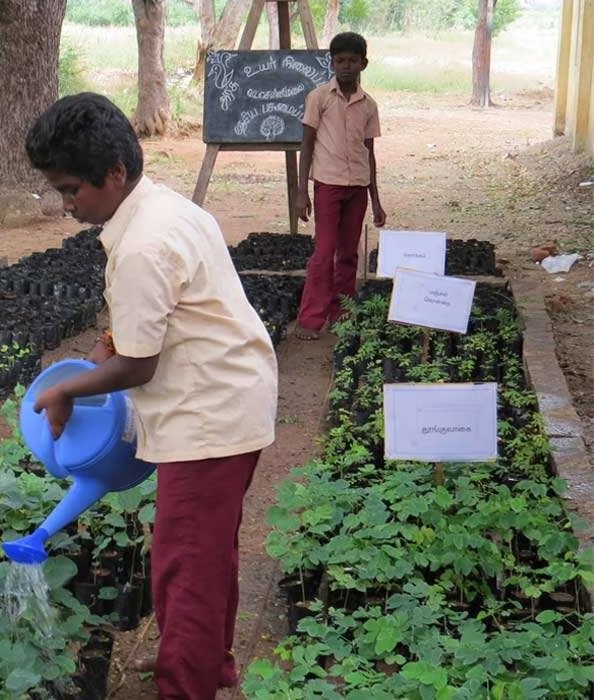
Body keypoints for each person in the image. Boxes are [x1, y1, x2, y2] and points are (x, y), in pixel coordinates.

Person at [25, 92, 278, 699]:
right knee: (209, 552)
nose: (66, 207)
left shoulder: (143, 244)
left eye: (71, 191)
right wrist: (107, 346)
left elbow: (138, 367)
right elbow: (149, 325)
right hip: (228, 396)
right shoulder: (161, 206)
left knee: (184, 565)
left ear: (115, 174)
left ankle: (184, 684)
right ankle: (206, 663)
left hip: (208, 418)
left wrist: (66, 391)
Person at [294, 31, 387, 340]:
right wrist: (300, 191)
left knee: (347, 254)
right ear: (332, 62)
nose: (346, 67)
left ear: (364, 63)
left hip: (358, 188)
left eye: (353, 61)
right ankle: (311, 318)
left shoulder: (368, 105)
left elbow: (369, 153)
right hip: (328, 186)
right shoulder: (319, 98)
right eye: (340, 61)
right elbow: (306, 145)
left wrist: (376, 200)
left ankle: (342, 314)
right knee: (323, 252)